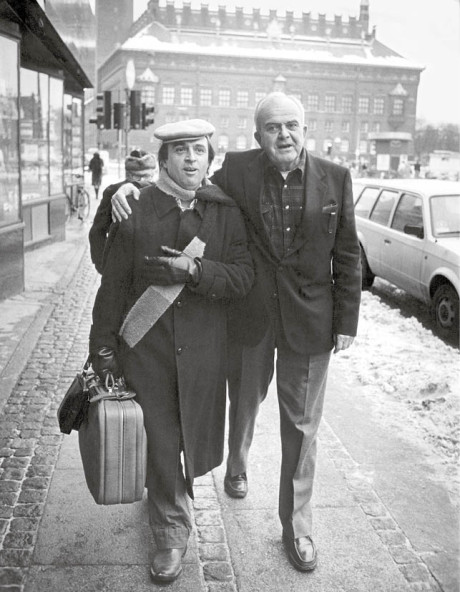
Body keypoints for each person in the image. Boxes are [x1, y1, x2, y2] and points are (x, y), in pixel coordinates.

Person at [111, 93, 361, 573]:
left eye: (291, 125)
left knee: (303, 427)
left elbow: (348, 253)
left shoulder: (336, 177)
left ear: (304, 129)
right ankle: (238, 462)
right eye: (272, 128)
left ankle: (299, 527)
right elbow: (188, 185)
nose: (283, 134)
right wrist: (128, 190)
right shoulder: (238, 171)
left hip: (310, 321)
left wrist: (346, 320)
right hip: (250, 316)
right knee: (243, 401)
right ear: (257, 136)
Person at [89, 119, 254, 584]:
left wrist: (195, 270)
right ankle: (171, 532)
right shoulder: (135, 208)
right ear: (162, 160)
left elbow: (244, 277)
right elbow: (113, 285)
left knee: (186, 438)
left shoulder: (225, 212)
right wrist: (102, 349)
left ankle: (168, 507)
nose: (189, 159)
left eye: (198, 150)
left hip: (203, 352)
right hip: (148, 348)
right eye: (179, 150)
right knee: (161, 440)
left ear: (210, 159)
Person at [89, 150, 157, 274]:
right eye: (136, 177)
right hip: (121, 268)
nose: (141, 182)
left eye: (147, 176)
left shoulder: (160, 194)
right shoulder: (113, 192)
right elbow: (97, 232)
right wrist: (103, 266)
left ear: (154, 173)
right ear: (128, 175)